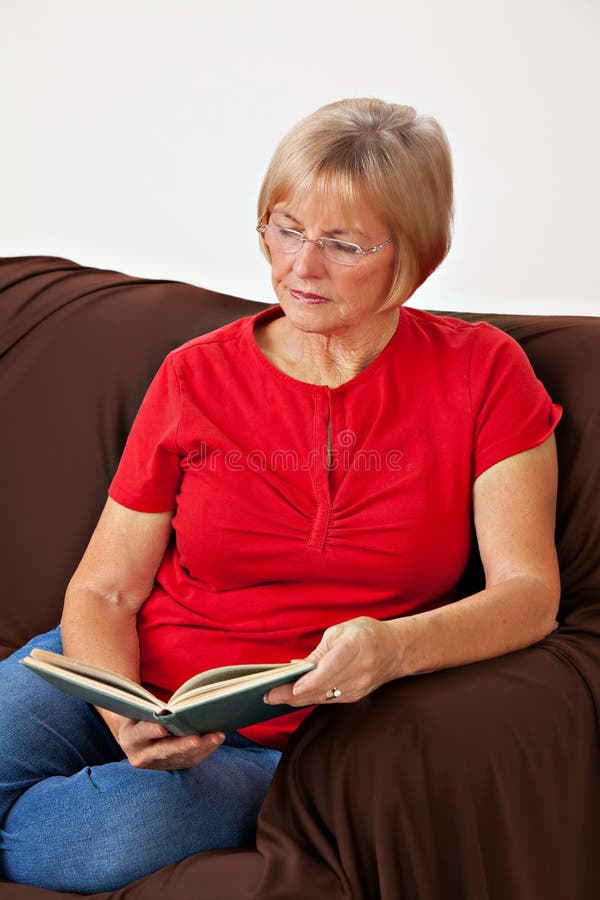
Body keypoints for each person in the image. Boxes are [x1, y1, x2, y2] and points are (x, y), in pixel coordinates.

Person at [0, 97, 562, 893]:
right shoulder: (195, 374)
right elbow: (105, 589)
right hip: (118, 673)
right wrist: (124, 714)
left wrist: (393, 648)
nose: (301, 267)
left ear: (417, 255)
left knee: (109, 834)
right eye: (286, 229)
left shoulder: (485, 372)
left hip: (284, 737)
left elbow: (529, 595)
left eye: (343, 244)